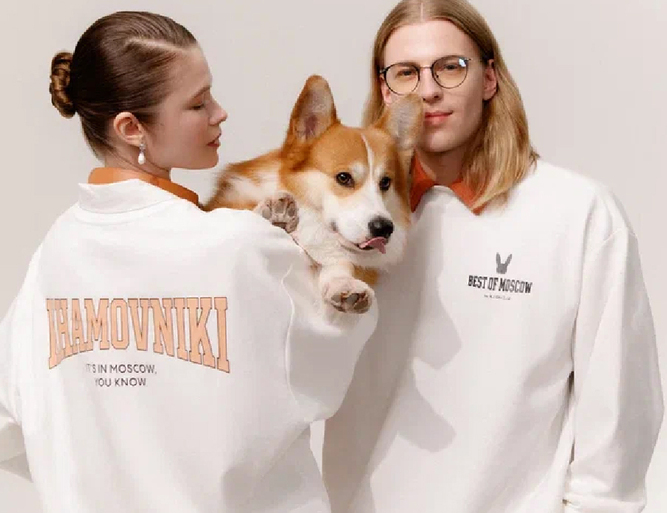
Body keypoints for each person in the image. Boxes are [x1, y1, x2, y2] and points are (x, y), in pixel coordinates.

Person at [0, 11, 376, 513]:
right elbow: (333, 356)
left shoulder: (53, 255)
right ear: (131, 128)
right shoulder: (240, 244)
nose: (220, 113)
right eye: (198, 104)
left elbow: (9, 424)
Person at [321, 1, 664, 512]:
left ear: (489, 78)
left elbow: (618, 407)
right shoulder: (339, 221)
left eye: (450, 67)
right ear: (385, 90)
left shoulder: (577, 213)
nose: (428, 90)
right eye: (406, 73)